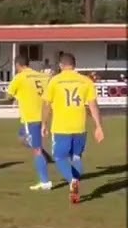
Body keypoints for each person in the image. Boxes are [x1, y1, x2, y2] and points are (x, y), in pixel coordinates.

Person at [41, 52, 106, 204]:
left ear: (60, 65)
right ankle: (75, 182)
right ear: (75, 65)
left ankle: (73, 181)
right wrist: (98, 126)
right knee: (76, 157)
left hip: (61, 127)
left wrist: (44, 124)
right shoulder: (85, 81)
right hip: (80, 127)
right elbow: (93, 105)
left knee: (59, 157)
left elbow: (47, 105)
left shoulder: (54, 81)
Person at [6, 55, 55, 191]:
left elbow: (8, 96)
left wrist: (7, 98)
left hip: (31, 117)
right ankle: (45, 156)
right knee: (22, 137)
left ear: (17, 65)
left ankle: (45, 182)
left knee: (36, 149)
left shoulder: (20, 78)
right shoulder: (42, 76)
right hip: (43, 115)